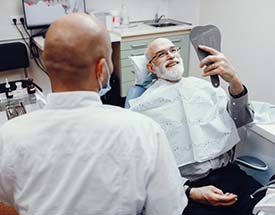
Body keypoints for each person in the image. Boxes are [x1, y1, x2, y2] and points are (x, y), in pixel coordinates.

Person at [0, 15, 187, 215]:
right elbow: (168, 209)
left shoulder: (9, 135)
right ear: (101, 69)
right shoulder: (145, 132)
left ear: (46, 63)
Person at [129, 38, 265, 215]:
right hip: (187, 189)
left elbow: (243, 120)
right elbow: (143, 168)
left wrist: (234, 81)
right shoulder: (142, 108)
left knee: (267, 206)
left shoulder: (208, 89)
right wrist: (188, 191)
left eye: (173, 50)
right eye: (161, 54)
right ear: (151, 68)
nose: (170, 56)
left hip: (230, 176)